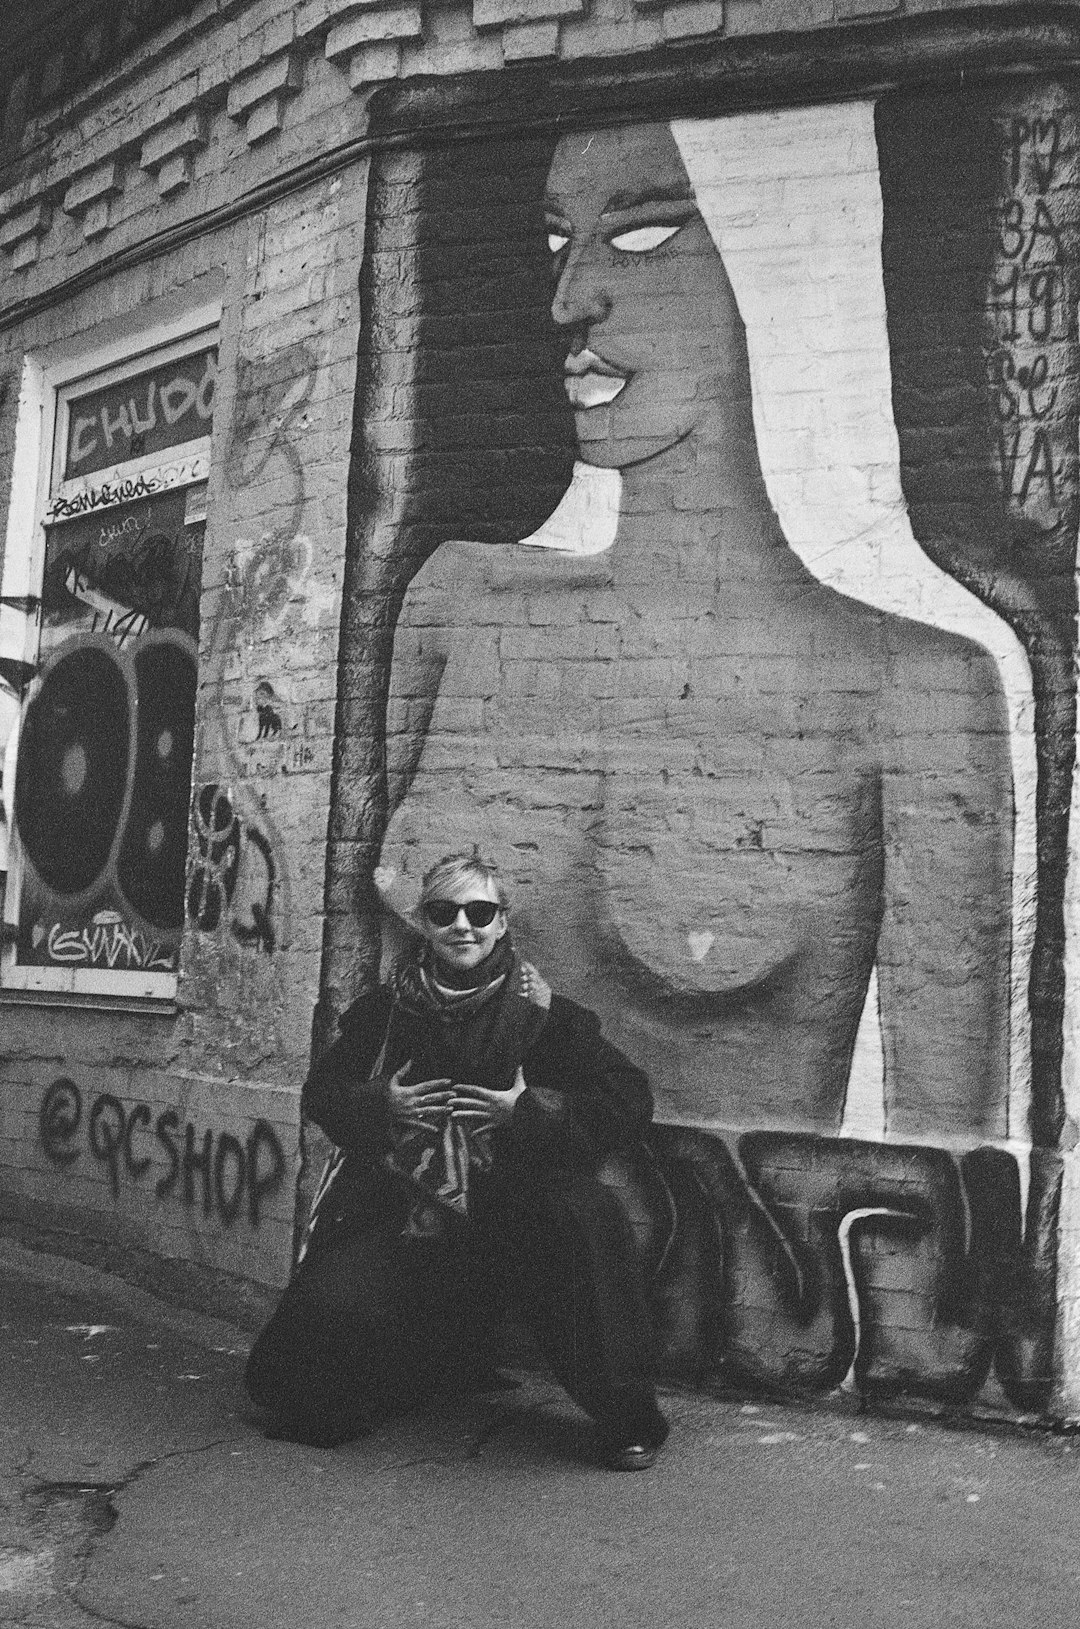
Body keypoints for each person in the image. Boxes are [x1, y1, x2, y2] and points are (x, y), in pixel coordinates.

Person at [378, 121, 1015, 1146]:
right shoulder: (456, 603)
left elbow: (948, 1169)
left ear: (782, 275)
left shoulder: (914, 688)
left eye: (644, 235)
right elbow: (367, 1030)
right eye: (555, 245)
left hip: (721, 1280)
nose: (569, 299)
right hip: (439, 1252)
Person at [245, 850, 669, 1470]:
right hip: (408, 1207)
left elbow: (629, 1099)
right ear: (422, 922)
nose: (462, 926)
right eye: (445, 912)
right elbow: (323, 1093)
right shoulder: (384, 1012)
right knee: (308, 1379)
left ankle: (629, 1422)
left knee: (588, 1221)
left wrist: (528, 1110)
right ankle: (410, 1372)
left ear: (501, 922)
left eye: (479, 911)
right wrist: (379, 1105)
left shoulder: (547, 1016)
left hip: (516, 1203)